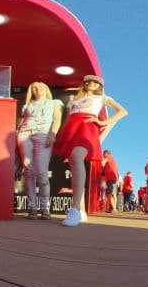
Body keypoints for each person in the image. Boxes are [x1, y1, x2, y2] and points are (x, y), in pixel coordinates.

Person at [54, 75, 128, 227]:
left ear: (99, 86)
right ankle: (81, 210)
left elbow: (122, 111)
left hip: (87, 129)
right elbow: (67, 119)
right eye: (88, 81)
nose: (91, 83)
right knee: (74, 165)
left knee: (76, 157)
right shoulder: (73, 101)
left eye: (95, 82)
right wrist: (60, 135)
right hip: (71, 130)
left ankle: (74, 209)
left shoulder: (102, 98)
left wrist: (102, 122)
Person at [16, 82, 63, 220]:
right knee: (28, 172)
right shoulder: (27, 106)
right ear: (31, 91)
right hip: (24, 135)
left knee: (42, 172)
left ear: (46, 89)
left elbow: (57, 119)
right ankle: (32, 208)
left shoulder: (55, 102)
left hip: (43, 135)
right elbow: (21, 123)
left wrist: (53, 134)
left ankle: (44, 207)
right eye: (34, 88)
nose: (38, 89)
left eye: (41, 87)